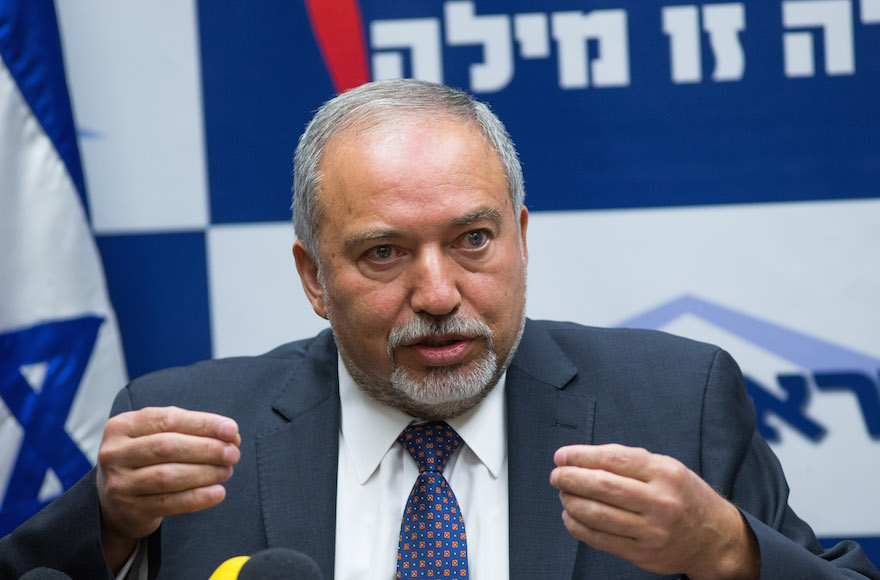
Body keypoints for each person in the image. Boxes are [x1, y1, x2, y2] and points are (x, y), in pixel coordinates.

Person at [1, 79, 878, 580]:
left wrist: (729, 552)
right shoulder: (189, 427)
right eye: (384, 254)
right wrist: (109, 523)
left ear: (522, 240)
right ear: (313, 277)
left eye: (472, 240)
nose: (437, 292)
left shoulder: (674, 403)